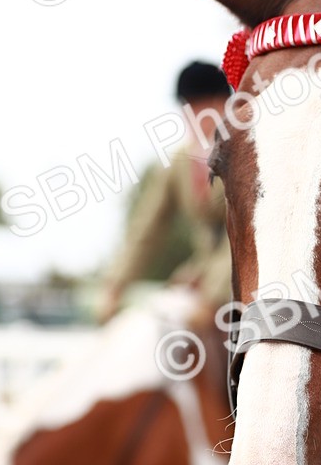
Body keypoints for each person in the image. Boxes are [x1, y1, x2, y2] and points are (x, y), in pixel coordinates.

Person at [99, 62, 231, 323]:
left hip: (248, 276)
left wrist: (213, 291)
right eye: (188, 108)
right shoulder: (179, 162)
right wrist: (115, 285)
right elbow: (147, 227)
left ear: (222, 103)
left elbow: (249, 228)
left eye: (200, 107)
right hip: (203, 276)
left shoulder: (249, 151)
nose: (193, 117)